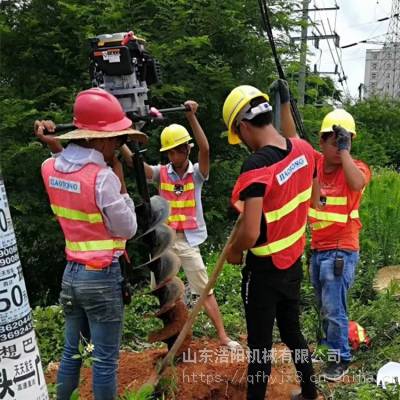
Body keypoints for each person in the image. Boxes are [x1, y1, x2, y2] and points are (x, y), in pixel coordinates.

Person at [34, 88, 145, 400]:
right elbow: (128, 228)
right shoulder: (102, 177)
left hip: (71, 275)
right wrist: (122, 187)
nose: (118, 144)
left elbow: (63, 160)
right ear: (102, 139)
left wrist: (51, 141)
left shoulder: (49, 168)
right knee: (105, 361)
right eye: (117, 138)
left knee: (72, 353)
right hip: (102, 277)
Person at [223, 83, 319, 400]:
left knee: (261, 347)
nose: (244, 143)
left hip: (263, 272)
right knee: (292, 332)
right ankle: (309, 391)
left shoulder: (256, 165)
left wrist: (235, 250)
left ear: (244, 126)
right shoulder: (303, 151)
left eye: (240, 135)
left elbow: (250, 233)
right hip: (292, 263)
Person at [276, 80, 372, 382]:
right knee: (325, 307)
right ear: (321, 141)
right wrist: (285, 103)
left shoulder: (355, 167)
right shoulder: (315, 164)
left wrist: (345, 151)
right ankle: (332, 348)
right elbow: (290, 136)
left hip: (341, 250)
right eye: (332, 140)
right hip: (318, 250)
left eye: (342, 140)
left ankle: (340, 358)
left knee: (334, 308)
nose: (337, 144)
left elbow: (357, 184)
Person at [142, 100, 241, 350]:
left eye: (178, 150)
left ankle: (223, 337)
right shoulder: (161, 173)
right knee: (162, 292)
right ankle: (173, 339)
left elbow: (205, 148)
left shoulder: (196, 174)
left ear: (187, 149)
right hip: (164, 243)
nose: (173, 156)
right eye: (170, 152)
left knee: (204, 289)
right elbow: (137, 167)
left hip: (188, 241)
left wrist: (192, 117)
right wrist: (123, 138)